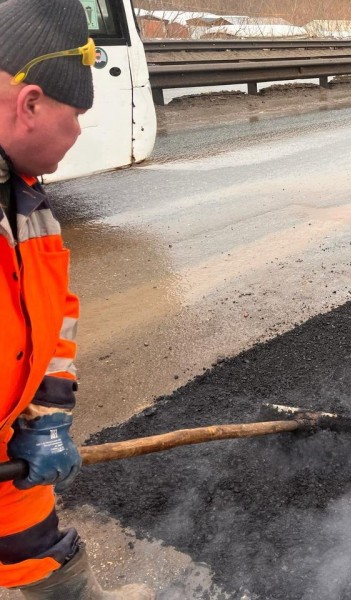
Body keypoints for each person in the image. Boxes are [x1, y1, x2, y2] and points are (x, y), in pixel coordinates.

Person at [0, 0, 153, 597]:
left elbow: (52, 320)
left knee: (52, 572)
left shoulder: (28, 206)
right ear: (30, 103)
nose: (81, 131)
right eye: (77, 114)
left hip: (11, 460)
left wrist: (47, 417)